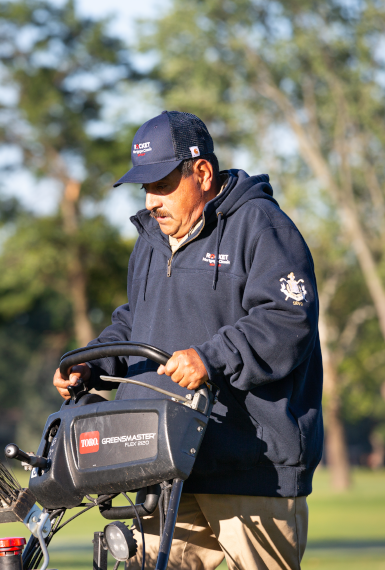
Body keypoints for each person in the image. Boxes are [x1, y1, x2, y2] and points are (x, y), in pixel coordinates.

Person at [53, 111, 323, 570]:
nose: (152, 201)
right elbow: (136, 322)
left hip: (249, 467)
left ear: (201, 172)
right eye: (145, 188)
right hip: (163, 463)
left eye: (162, 184)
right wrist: (91, 363)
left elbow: (287, 317)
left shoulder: (261, 226)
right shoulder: (151, 241)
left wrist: (211, 357)